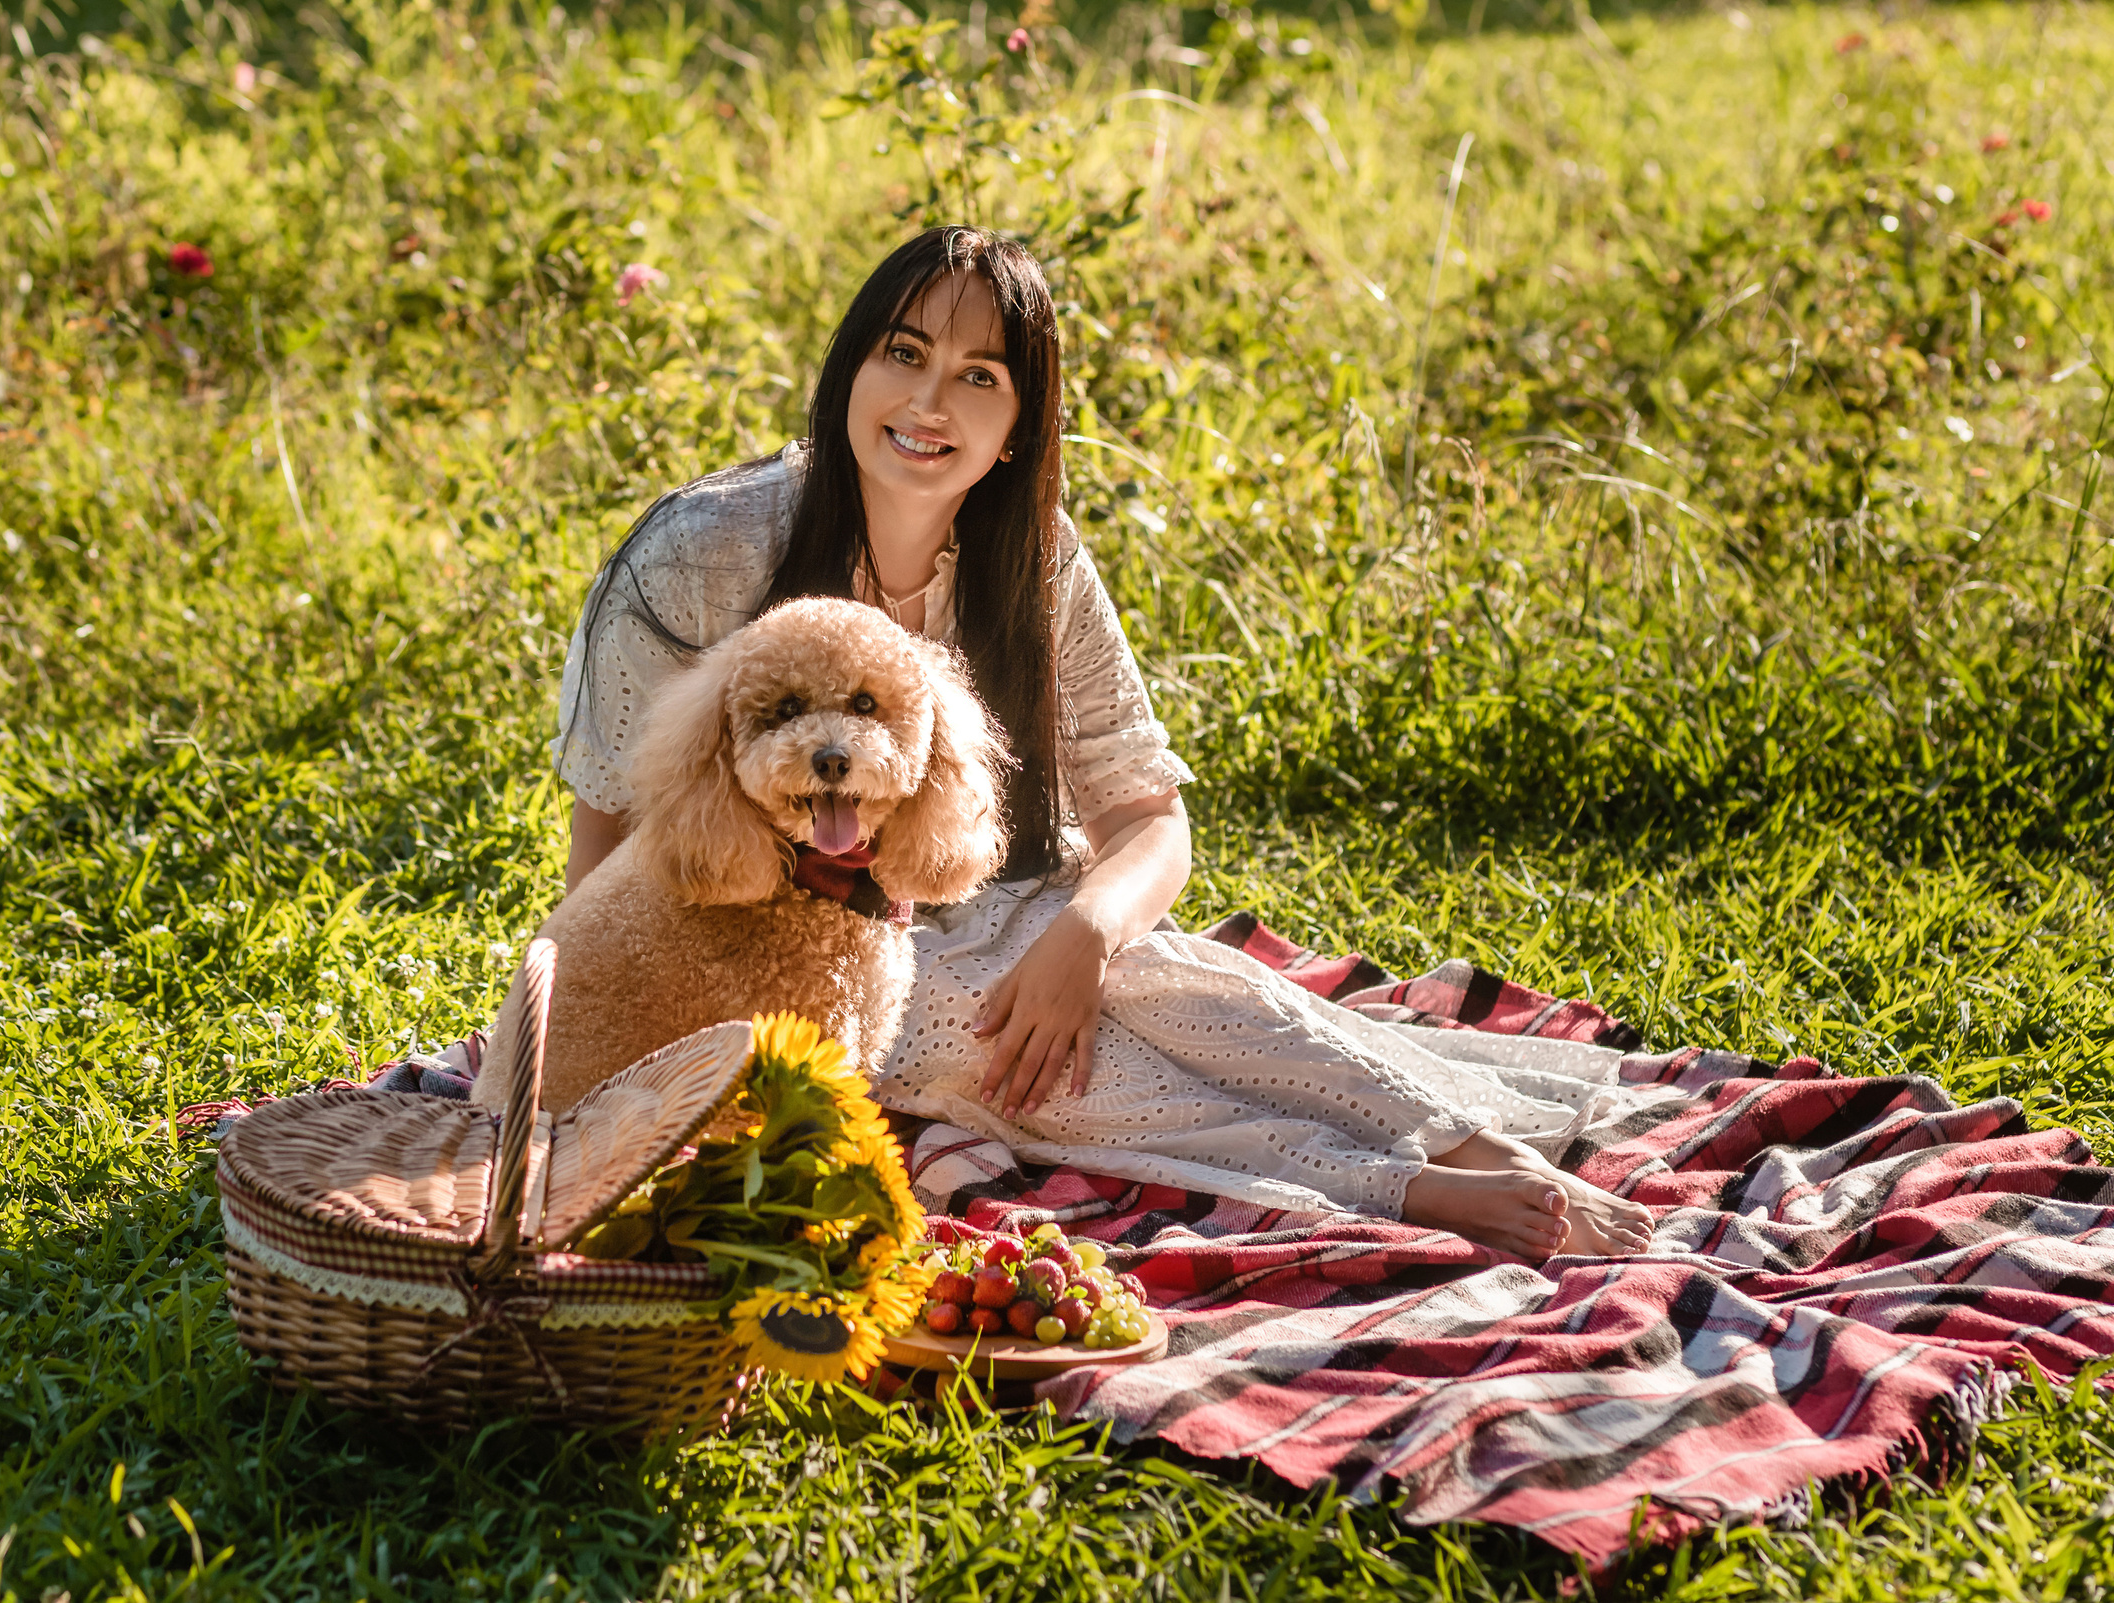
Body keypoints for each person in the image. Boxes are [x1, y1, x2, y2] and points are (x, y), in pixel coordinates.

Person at [552, 225, 1655, 1259]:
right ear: (848, 369)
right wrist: (600, 1063)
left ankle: (1471, 1143)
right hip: (752, 937)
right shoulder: (704, 547)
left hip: (983, 890)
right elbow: (607, 834)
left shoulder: (1032, 559)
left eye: (979, 376)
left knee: (1172, 977)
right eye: (903, 354)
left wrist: (1083, 937)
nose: (930, 402)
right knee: (1009, 1042)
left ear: (1016, 428)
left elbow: (1146, 817)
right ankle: (1402, 1188)